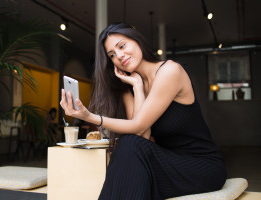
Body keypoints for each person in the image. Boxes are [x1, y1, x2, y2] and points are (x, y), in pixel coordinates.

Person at [60, 23, 227, 199]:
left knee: (128, 147)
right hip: (167, 162)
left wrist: (90, 117)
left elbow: (138, 127)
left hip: (202, 166)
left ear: (135, 37)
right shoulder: (129, 87)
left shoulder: (170, 71)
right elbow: (141, 137)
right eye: (112, 55)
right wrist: (138, 87)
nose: (120, 56)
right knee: (129, 145)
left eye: (122, 46)